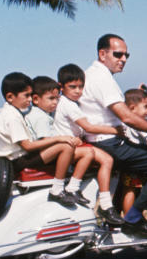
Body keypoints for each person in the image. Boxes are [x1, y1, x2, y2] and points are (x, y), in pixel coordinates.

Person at [79, 34, 147, 236]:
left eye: (126, 55)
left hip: (102, 141)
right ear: (102, 53)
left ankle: (120, 213)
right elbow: (127, 117)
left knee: (141, 164)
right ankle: (133, 219)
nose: (123, 59)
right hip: (109, 142)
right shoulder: (101, 78)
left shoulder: (93, 74)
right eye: (118, 54)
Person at [0, 72, 80, 209]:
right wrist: (58, 139)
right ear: (10, 97)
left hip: (16, 159)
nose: (30, 99)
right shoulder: (12, 117)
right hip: (18, 161)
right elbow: (28, 146)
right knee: (66, 147)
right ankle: (57, 189)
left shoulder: (10, 112)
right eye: (26, 95)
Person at [53, 64, 125, 225]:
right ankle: (103, 204)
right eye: (72, 87)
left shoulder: (66, 102)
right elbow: (89, 127)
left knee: (107, 161)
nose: (78, 91)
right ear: (61, 87)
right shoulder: (69, 105)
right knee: (107, 160)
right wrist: (116, 130)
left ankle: (87, 194)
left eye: (81, 87)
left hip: (74, 144)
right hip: (69, 148)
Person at [116, 87, 147, 215]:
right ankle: (129, 219)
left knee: (130, 190)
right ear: (132, 108)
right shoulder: (134, 123)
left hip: (132, 161)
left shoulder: (130, 121)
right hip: (134, 162)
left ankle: (128, 216)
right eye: (145, 106)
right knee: (130, 190)